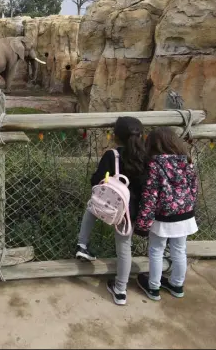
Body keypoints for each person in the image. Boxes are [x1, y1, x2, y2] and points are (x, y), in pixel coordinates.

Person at [75, 116, 147, 306]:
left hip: (108, 205)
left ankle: (82, 245)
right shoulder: (146, 157)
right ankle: (121, 290)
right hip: (128, 213)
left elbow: (96, 181)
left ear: (115, 136)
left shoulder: (112, 155)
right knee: (124, 249)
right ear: (142, 135)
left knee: (91, 205)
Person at [135, 127, 198, 301]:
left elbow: (150, 195)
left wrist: (143, 222)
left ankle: (153, 287)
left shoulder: (154, 164)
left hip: (163, 216)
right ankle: (177, 285)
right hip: (185, 214)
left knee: (156, 250)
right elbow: (194, 189)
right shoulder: (187, 161)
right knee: (179, 250)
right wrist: (189, 208)